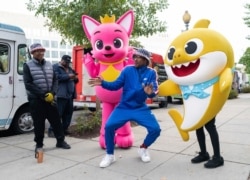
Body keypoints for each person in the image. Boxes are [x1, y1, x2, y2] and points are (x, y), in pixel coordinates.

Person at [88, 48, 161, 168]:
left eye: (138, 57)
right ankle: (110, 155)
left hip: (140, 108)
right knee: (109, 126)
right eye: (134, 57)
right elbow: (115, 85)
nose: (135, 59)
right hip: (124, 107)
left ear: (145, 60)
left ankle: (143, 148)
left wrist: (150, 93)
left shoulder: (151, 73)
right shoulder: (127, 70)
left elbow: (154, 90)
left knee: (155, 129)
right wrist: (103, 83)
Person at [23, 43, 71, 154]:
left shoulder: (49, 64)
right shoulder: (28, 65)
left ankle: (60, 141)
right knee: (39, 123)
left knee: (56, 121)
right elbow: (28, 84)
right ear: (32, 53)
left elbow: (55, 80)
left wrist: (52, 93)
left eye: (41, 50)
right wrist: (43, 95)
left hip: (51, 99)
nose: (40, 53)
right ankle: (39, 144)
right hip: (37, 100)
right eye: (37, 51)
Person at [48, 55, 78, 137]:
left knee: (68, 113)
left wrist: (75, 77)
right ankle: (52, 130)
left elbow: (75, 80)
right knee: (58, 114)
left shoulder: (70, 69)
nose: (67, 64)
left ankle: (64, 129)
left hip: (69, 95)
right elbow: (56, 78)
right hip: (60, 94)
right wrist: (68, 76)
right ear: (61, 60)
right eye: (65, 62)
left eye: (68, 62)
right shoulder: (55, 67)